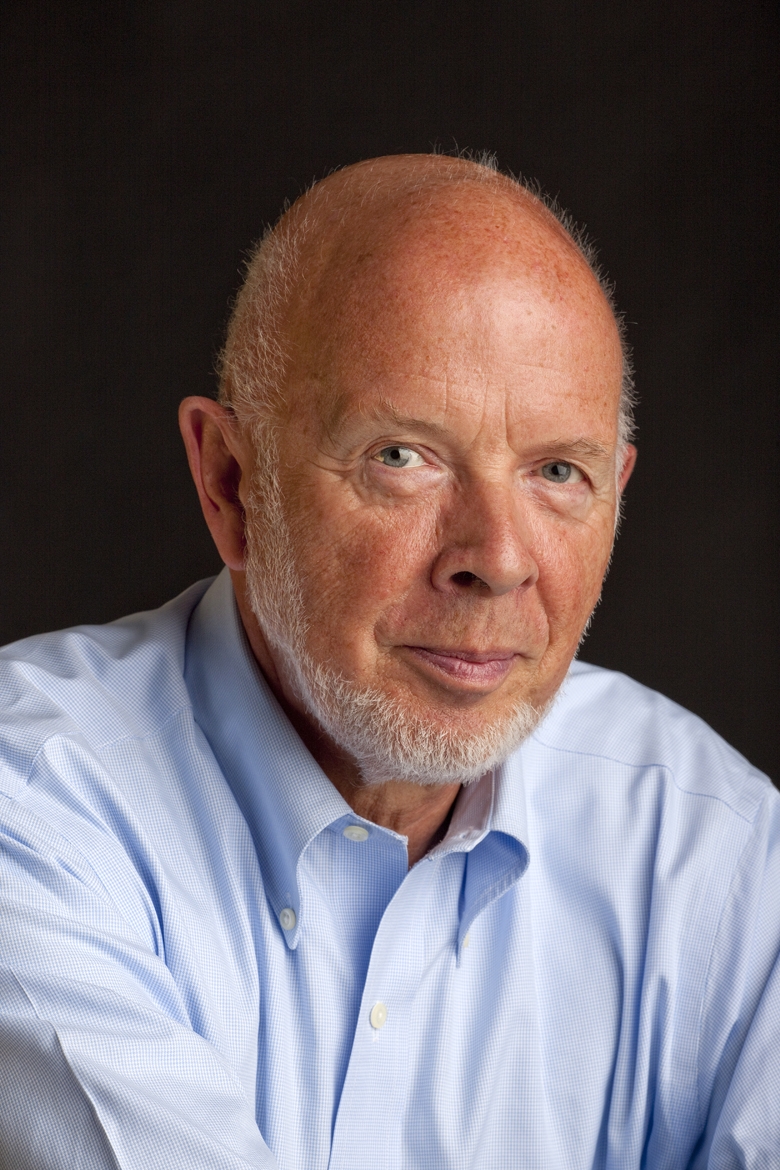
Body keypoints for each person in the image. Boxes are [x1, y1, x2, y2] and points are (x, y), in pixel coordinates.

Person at [0, 154, 777, 1170]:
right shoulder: (34, 810)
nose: (496, 560)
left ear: (616, 496)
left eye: (557, 473)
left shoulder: (716, 857)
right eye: (402, 457)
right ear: (232, 484)